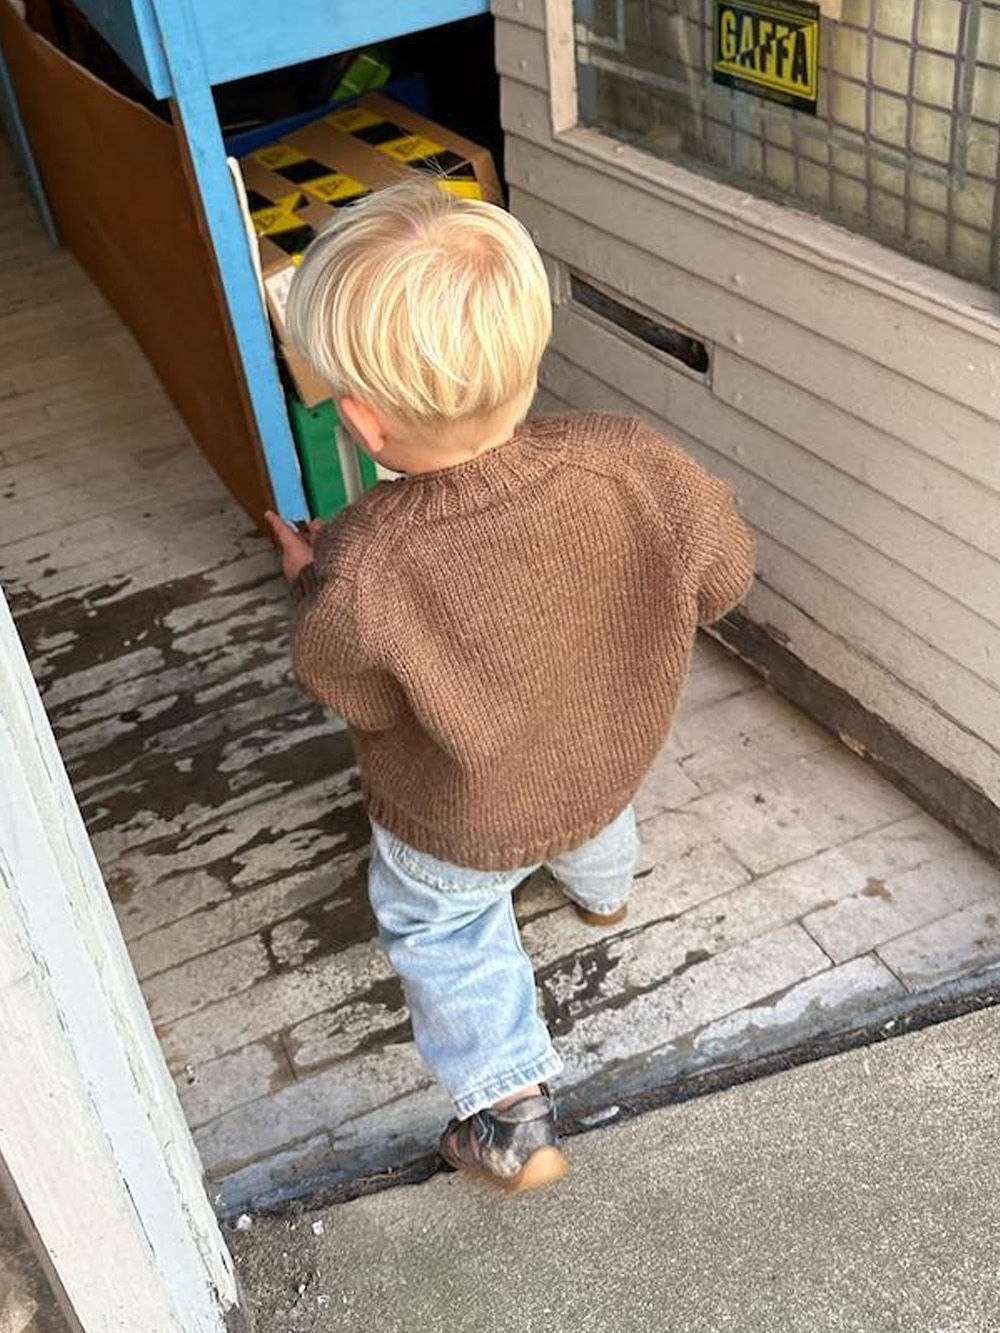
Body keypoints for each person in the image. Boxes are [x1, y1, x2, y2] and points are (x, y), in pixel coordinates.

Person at [265, 178, 754, 1192]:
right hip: (605, 758)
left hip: (460, 815)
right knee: (587, 809)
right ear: (529, 356)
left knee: (442, 926)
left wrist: (311, 581)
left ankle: (508, 1113)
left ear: (361, 422)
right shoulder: (630, 461)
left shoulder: (366, 558)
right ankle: (604, 897)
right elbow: (722, 576)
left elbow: (347, 684)